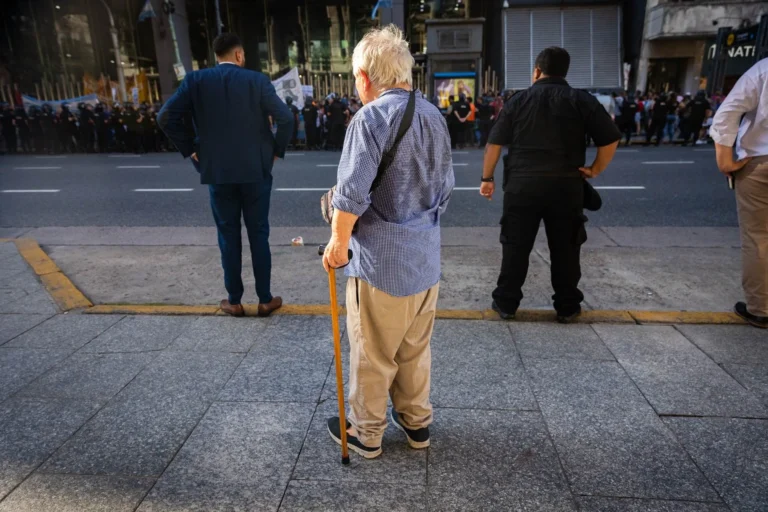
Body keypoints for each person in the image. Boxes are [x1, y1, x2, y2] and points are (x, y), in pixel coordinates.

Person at [322, 24, 455, 459]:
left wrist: (338, 243)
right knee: (415, 349)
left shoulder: (371, 118)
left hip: (381, 263)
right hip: (425, 257)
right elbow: (446, 188)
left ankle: (366, 433)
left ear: (364, 76)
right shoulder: (434, 114)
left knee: (373, 352)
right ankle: (418, 425)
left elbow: (352, 193)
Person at [480, 46, 620, 323]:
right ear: (565, 72)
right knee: (566, 248)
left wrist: (487, 179)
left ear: (536, 71)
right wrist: (594, 169)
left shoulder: (518, 101)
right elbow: (610, 138)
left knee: (515, 246)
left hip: (522, 186)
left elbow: (494, 143)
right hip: (566, 187)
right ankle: (567, 306)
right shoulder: (581, 100)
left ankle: (506, 303)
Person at [158, 32, 293, 317]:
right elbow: (286, 117)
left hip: (217, 171)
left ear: (216, 57)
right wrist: (276, 150)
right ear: (240, 55)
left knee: (227, 236)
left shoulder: (196, 81)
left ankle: (234, 300)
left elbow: (165, 117)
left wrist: (191, 149)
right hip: (256, 170)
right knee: (259, 234)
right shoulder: (257, 81)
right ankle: (265, 299)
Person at [710, 57, 768, 328]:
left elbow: (727, 113)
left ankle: (760, 308)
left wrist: (725, 160)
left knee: (758, 238)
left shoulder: (763, 69)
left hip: (760, 161)